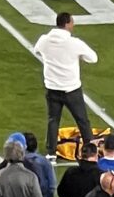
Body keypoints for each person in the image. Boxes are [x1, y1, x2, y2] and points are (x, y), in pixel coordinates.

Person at [34, 9, 97, 146]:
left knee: (53, 120)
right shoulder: (74, 43)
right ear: (67, 24)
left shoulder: (44, 40)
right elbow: (93, 58)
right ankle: (91, 149)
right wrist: (78, 56)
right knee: (82, 120)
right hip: (71, 89)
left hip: (52, 88)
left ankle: (51, 152)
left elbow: (36, 50)